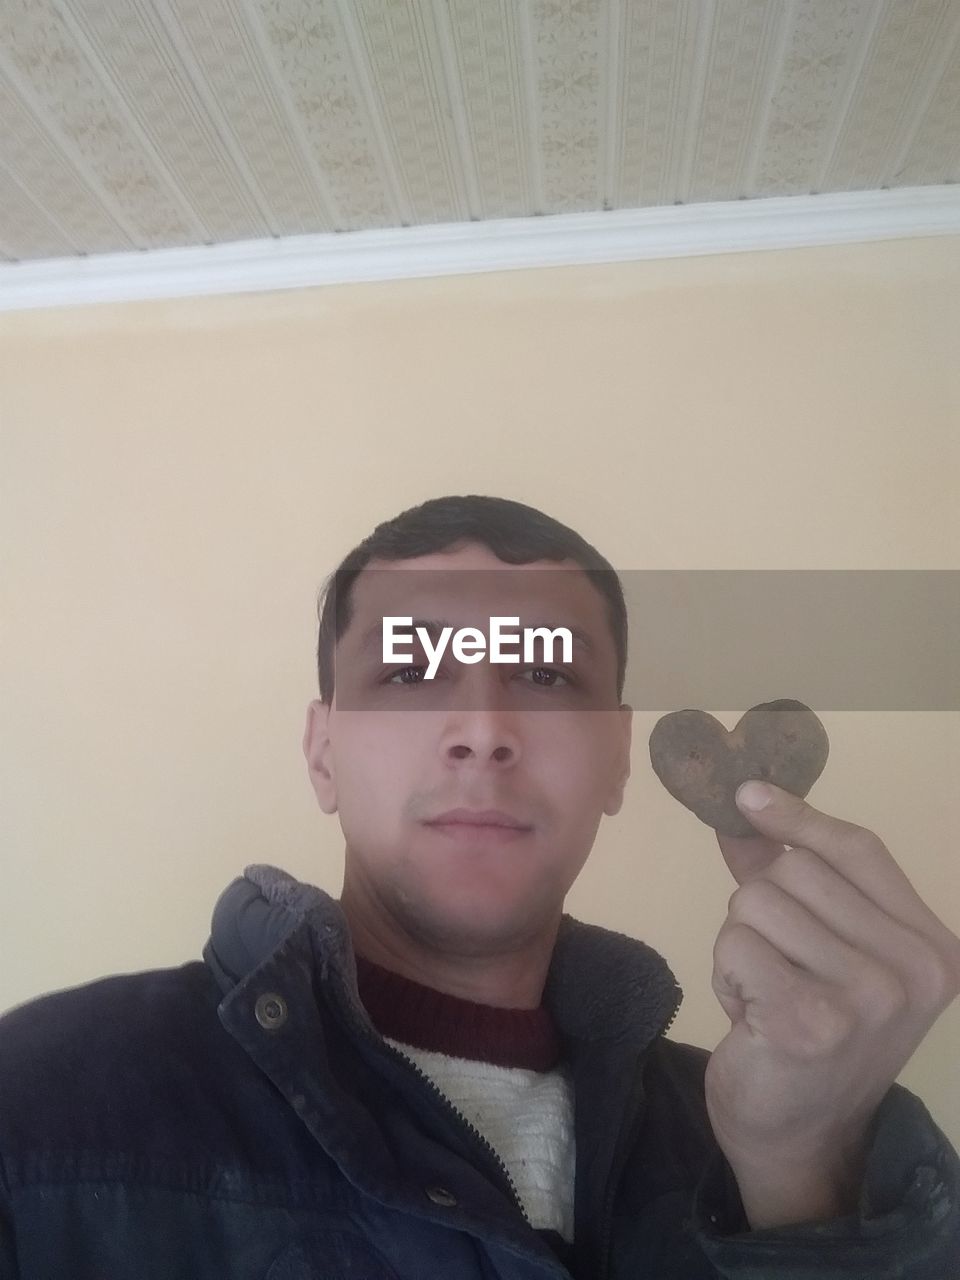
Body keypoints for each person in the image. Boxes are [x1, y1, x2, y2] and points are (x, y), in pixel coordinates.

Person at [1, 493, 958, 1279]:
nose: (484, 727)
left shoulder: (789, 1128)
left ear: (621, 760)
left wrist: (806, 1181)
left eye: (546, 681)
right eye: (411, 672)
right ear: (322, 751)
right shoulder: (36, 1105)